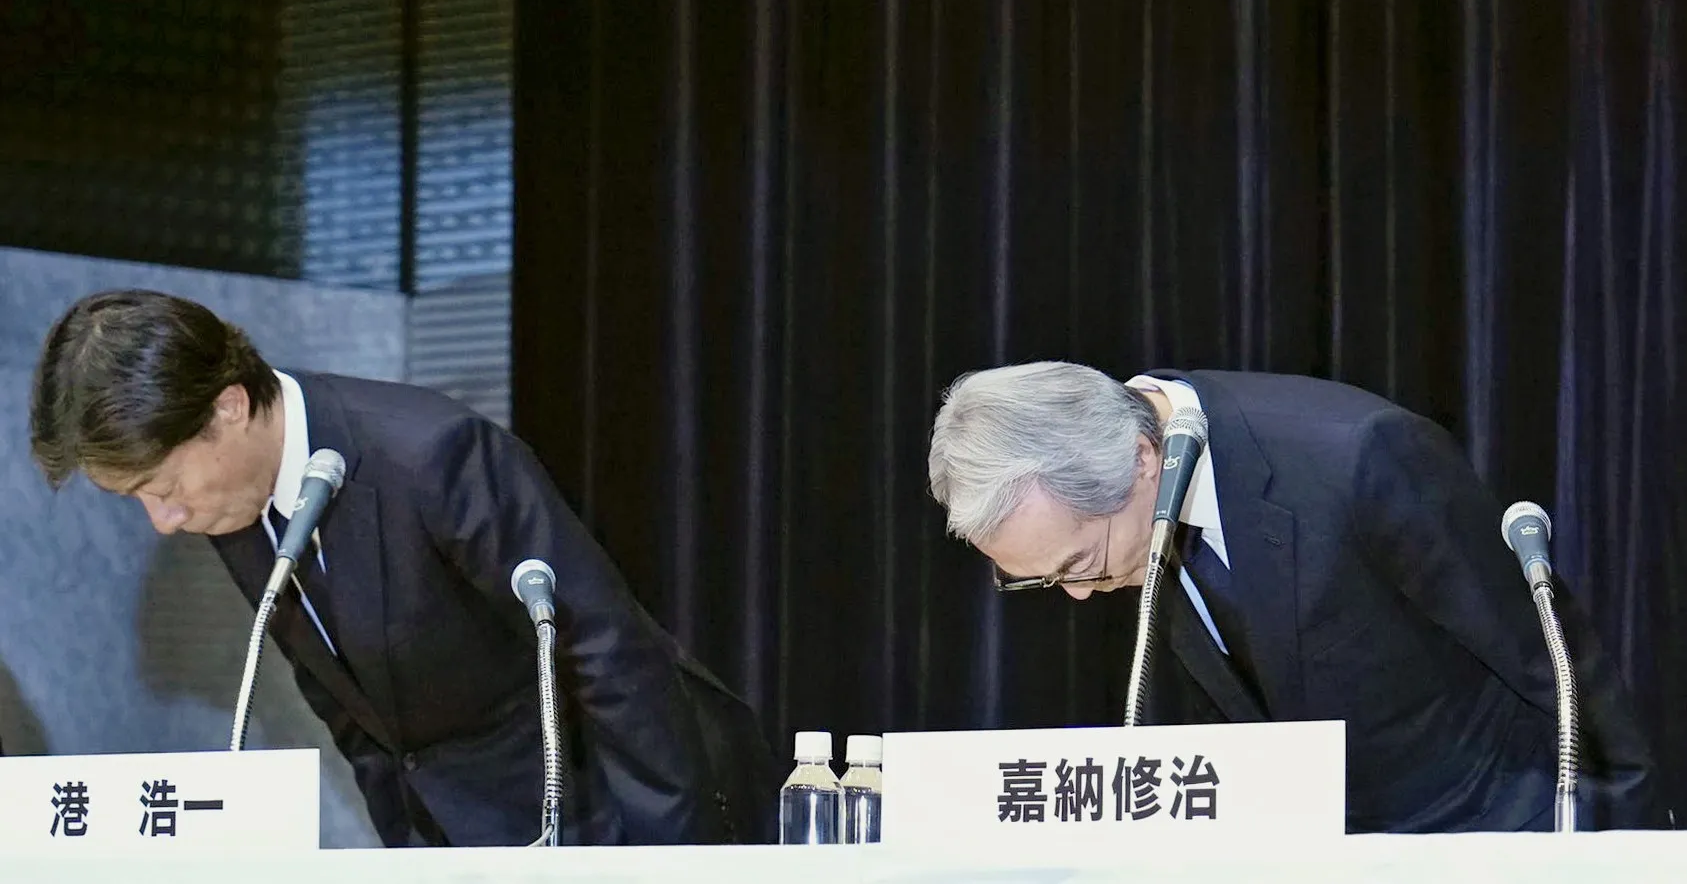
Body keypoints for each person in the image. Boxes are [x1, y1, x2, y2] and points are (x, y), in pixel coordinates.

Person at [29, 289, 778, 847]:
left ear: (227, 409)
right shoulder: (234, 500)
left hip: (604, 802)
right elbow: (352, 709)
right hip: (458, 827)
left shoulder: (431, 454)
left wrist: (668, 859)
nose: (165, 521)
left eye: (162, 488)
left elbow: (605, 649)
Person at [926, 360, 1669, 832]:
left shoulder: (1357, 459)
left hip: (1493, 826)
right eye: (1048, 580)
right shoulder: (1130, 498)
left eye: (1078, 563)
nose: (1081, 596)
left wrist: (1634, 833)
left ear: (1143, 460)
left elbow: (1548, 660)